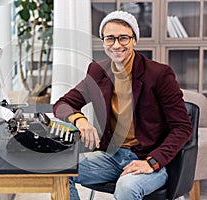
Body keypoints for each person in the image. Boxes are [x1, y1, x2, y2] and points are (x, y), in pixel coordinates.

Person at [53, 10, 192, 200]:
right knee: (59, 169)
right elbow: (63, 103)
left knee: (127, 188)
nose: (116, 45)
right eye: (110, 39)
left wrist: (151, 162)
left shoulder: (159, 75)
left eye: (123, 38)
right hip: (112, 156)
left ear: (134, 40)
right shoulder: (97, 71)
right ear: (103, 41)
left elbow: (182, 127)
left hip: (149, 158)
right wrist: (80, 120)